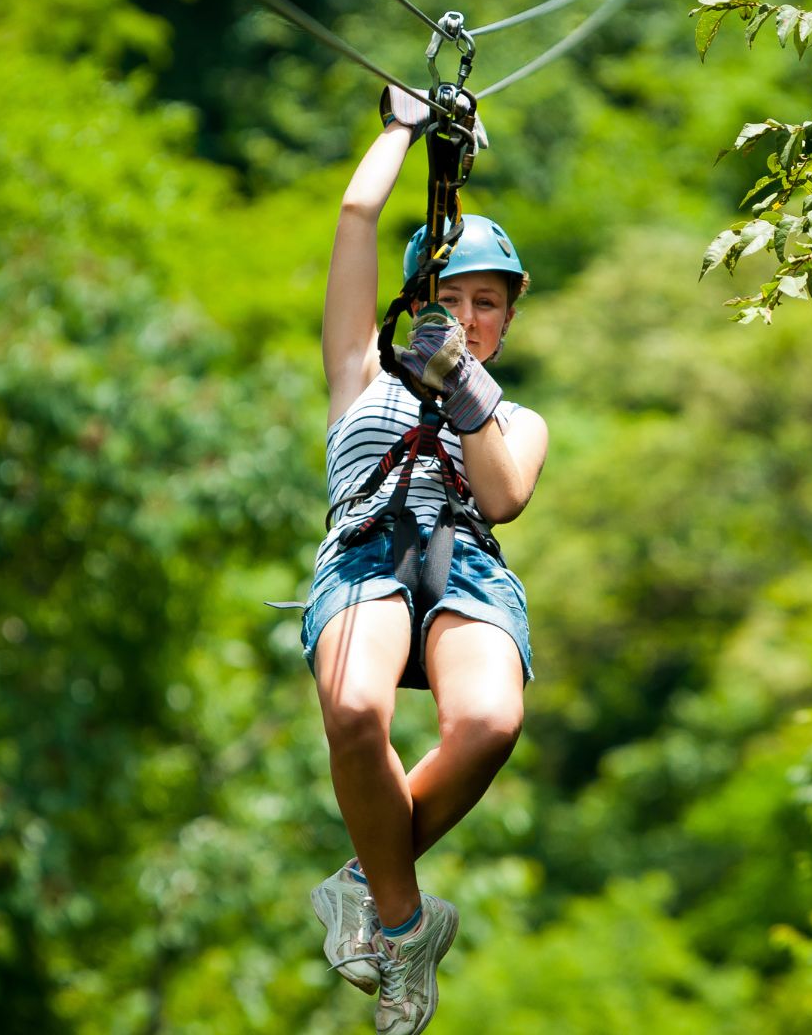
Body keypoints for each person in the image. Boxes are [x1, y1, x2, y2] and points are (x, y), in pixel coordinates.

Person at [300, 85, 549, 1035]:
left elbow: (505, 496)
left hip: (466, 565)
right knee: (358, 711)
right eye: (449, 298)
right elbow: (358, 215)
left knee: (488, 719)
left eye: (487, 304)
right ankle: (403, 928)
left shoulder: (518, 416)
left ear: (508, 322)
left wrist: (464, 387)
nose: (469, 315)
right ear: (416, 302)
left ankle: (366, 881)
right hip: (367, 554)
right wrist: (404, 130)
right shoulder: (358, 372)